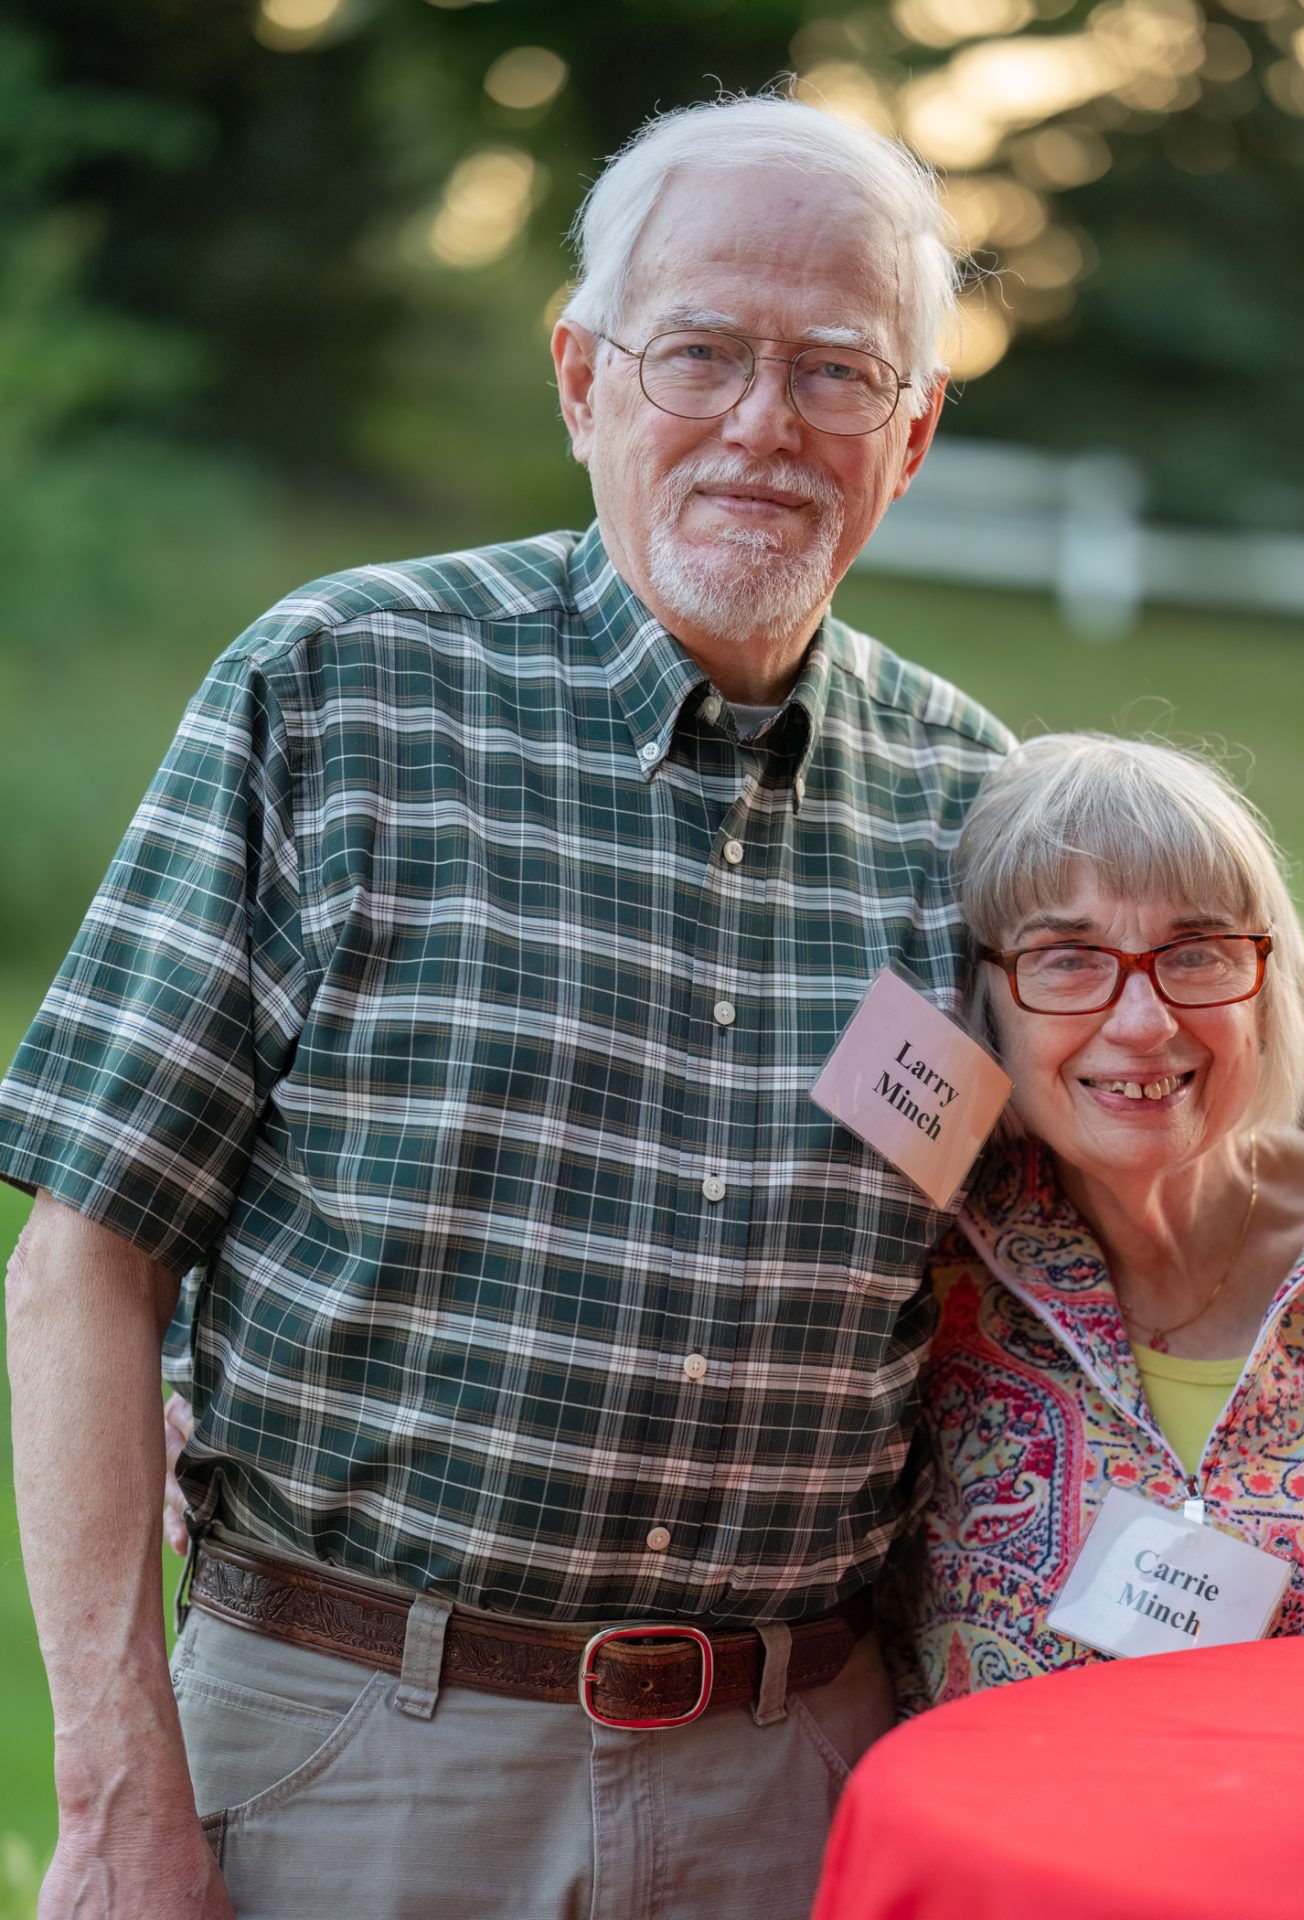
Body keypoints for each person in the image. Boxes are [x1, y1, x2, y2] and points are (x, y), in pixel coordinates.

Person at [0, 97, 1013, 1920]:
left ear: (915, 432)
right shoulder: (341, 688)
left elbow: (1097, 1250)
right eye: (699, 353)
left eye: (835, 372)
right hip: (350, 1759)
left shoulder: (979, 810)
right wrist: (115, 1788)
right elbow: (82, 1260)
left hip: (798, 1789)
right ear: (582, 379)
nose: (762, 425)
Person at [895, 732, 1304, 1709]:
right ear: (982, 999)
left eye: (1195, 953)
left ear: (1267, 984)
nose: (1143, 1022)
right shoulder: (917, 1266)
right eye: (1068, 958)